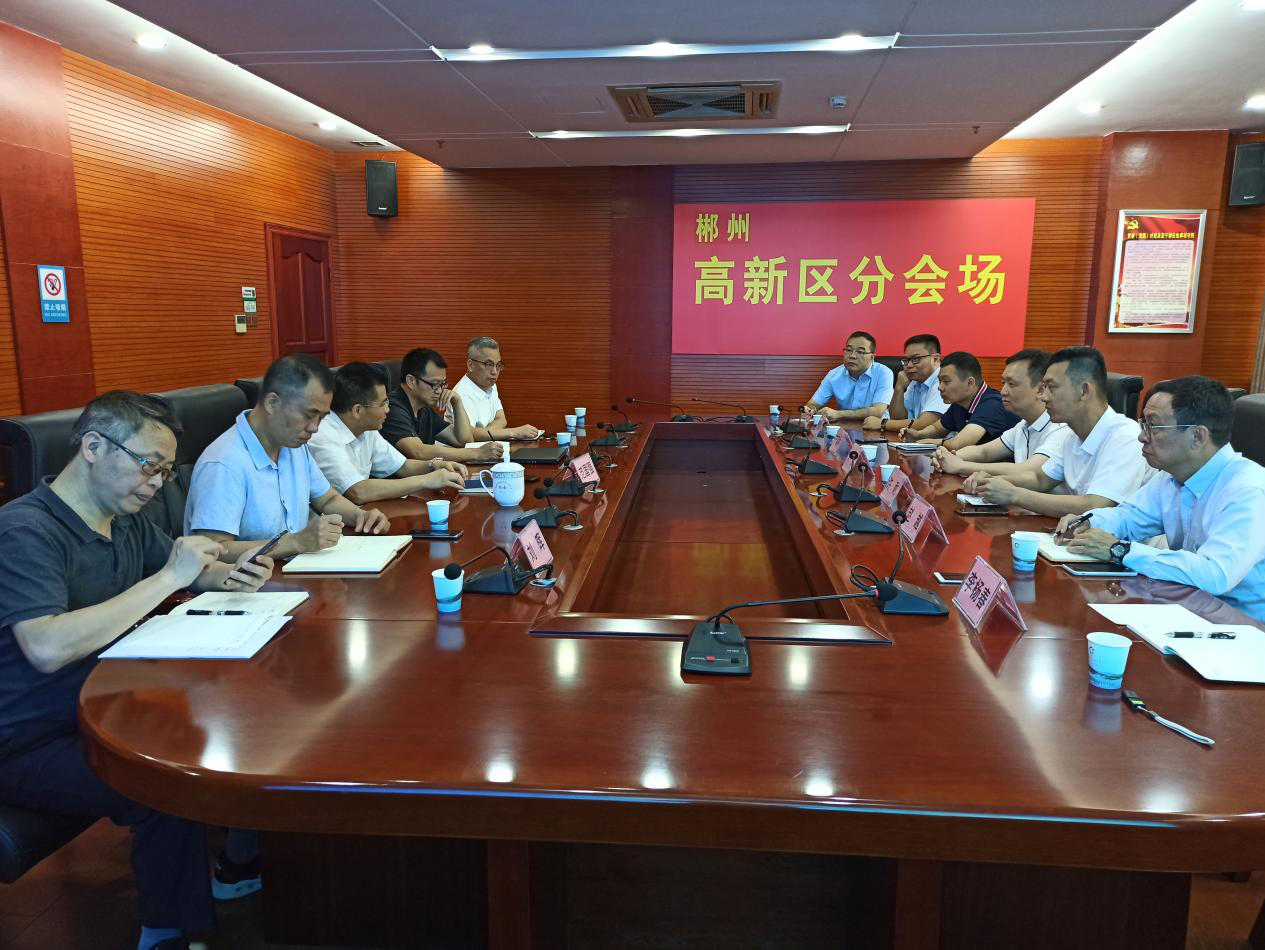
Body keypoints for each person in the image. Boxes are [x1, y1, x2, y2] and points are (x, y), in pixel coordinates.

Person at [0, 391, 275, 950]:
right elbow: (46, 646)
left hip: (102, 706)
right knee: (164, 787)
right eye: (149, 464)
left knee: (242, 715)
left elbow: (186, 569)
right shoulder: (25, 530)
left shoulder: (121, 518)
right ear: (93, 447)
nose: (156, 483)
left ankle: (245, 858)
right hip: (27, 737)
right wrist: (169, 578)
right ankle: (167, 933)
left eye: (166, 471)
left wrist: (231, 575)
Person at [1056, 377, 1265, 621]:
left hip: (1244, 625)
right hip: (1189, 605)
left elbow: (1215, 574)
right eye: (1143, 424)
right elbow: (1129, 517)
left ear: (1197, 436)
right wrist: (1089, 522)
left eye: (1153, 426)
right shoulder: (1172, 476)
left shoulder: (1248, 490)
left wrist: (1119, 550)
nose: (1141, 437)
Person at [186, 353, 390, 562]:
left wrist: (361, 516)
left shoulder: (292, 444)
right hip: (251, 580)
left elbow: (327, 499)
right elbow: (213, 551)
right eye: (308, 415)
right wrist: (295, 542)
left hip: (297, 570)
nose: (315, 428)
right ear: (272, 403)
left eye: (321, 417)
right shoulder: (224, 462)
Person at [965, 346, 1152, 517]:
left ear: (1084, 391)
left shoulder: (1125, 437)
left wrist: (1014, 494)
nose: (1044, 396)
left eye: (1052, 388)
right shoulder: (1072, 435)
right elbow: (1039, 478)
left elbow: (1096, 506)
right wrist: (991, 481)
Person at [308, 362, 467, 503]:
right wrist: (426, 480)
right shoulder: (322, 435)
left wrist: (434, 465)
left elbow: (401, 466)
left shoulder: (366, 427)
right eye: (383, 404)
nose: (388, 410)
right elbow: (357, 492)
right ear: (358, 410)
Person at [933, 348, 1071, 477]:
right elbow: (984, 452)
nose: (1003, 391)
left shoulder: (1060, 428)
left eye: (1011, 384)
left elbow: (1028, 470)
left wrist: (960, 465)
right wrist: (949, 457)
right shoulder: (1023, 425)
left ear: (1040, 390)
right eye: (1003, 383)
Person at [381, 348, 504, 465]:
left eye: (442, 384)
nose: (439, 391)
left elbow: (464, 441)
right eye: (434, 384)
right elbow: (418, 451)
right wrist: (476, 453)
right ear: (411, 381)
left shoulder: (424, 410)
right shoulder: (391, 408)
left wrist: (457, 402)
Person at [904, 351, 1018, 450]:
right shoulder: (960, 402)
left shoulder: (992, 404)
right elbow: (938, 429)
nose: (940, 387)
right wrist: (918, 434)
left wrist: (934, 442)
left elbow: (958, 444)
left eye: (946, 381)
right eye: (940, 381)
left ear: (970, 383)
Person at [452, 336, 542, 441]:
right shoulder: (461, 393)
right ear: (471, 365)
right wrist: (514, 432)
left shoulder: (490, 384)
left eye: (498, 365)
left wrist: (482, 434)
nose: (494, 371)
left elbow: (502, 419)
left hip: (485, 448)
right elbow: (469, 435)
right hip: (459, 451)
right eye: (488, 364)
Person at [862, 334, 948, 435]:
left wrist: (882, 423)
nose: (909, 365)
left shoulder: (943, 382)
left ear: (936, 359)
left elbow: (924, 424)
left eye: (916, 359)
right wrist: (899, 387)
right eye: (906, 360)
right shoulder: (916, 381)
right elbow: (897, 418)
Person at [801, 330, 894, 423]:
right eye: (849, 350)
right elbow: (814, 403)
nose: (852, 356)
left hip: (877, 428)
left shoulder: (883, 373)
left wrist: (839, 414)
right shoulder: (833, 375)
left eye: (860, 352)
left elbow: (878, 411)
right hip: (844, 428)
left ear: (872, 357)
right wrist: (810, 409)